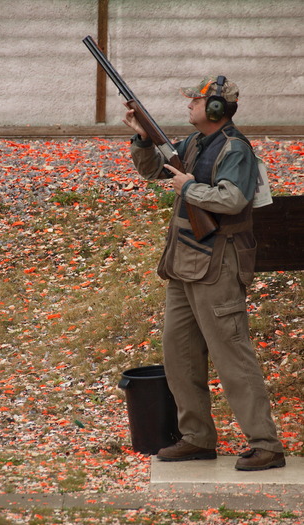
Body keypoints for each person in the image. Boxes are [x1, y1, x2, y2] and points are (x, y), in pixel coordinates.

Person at [123, 75, 285, 471]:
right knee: (179, 355)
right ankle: (196, 437)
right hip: (184, 263)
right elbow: (152, 171)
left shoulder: (236, 150)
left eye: (195, 101)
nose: (188, 106)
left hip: (219, 264)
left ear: (215, 108)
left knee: (233, 356)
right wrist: (144, 138)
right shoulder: (195, 144)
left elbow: (232, 199)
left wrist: (188, 188)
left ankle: (266, 445)